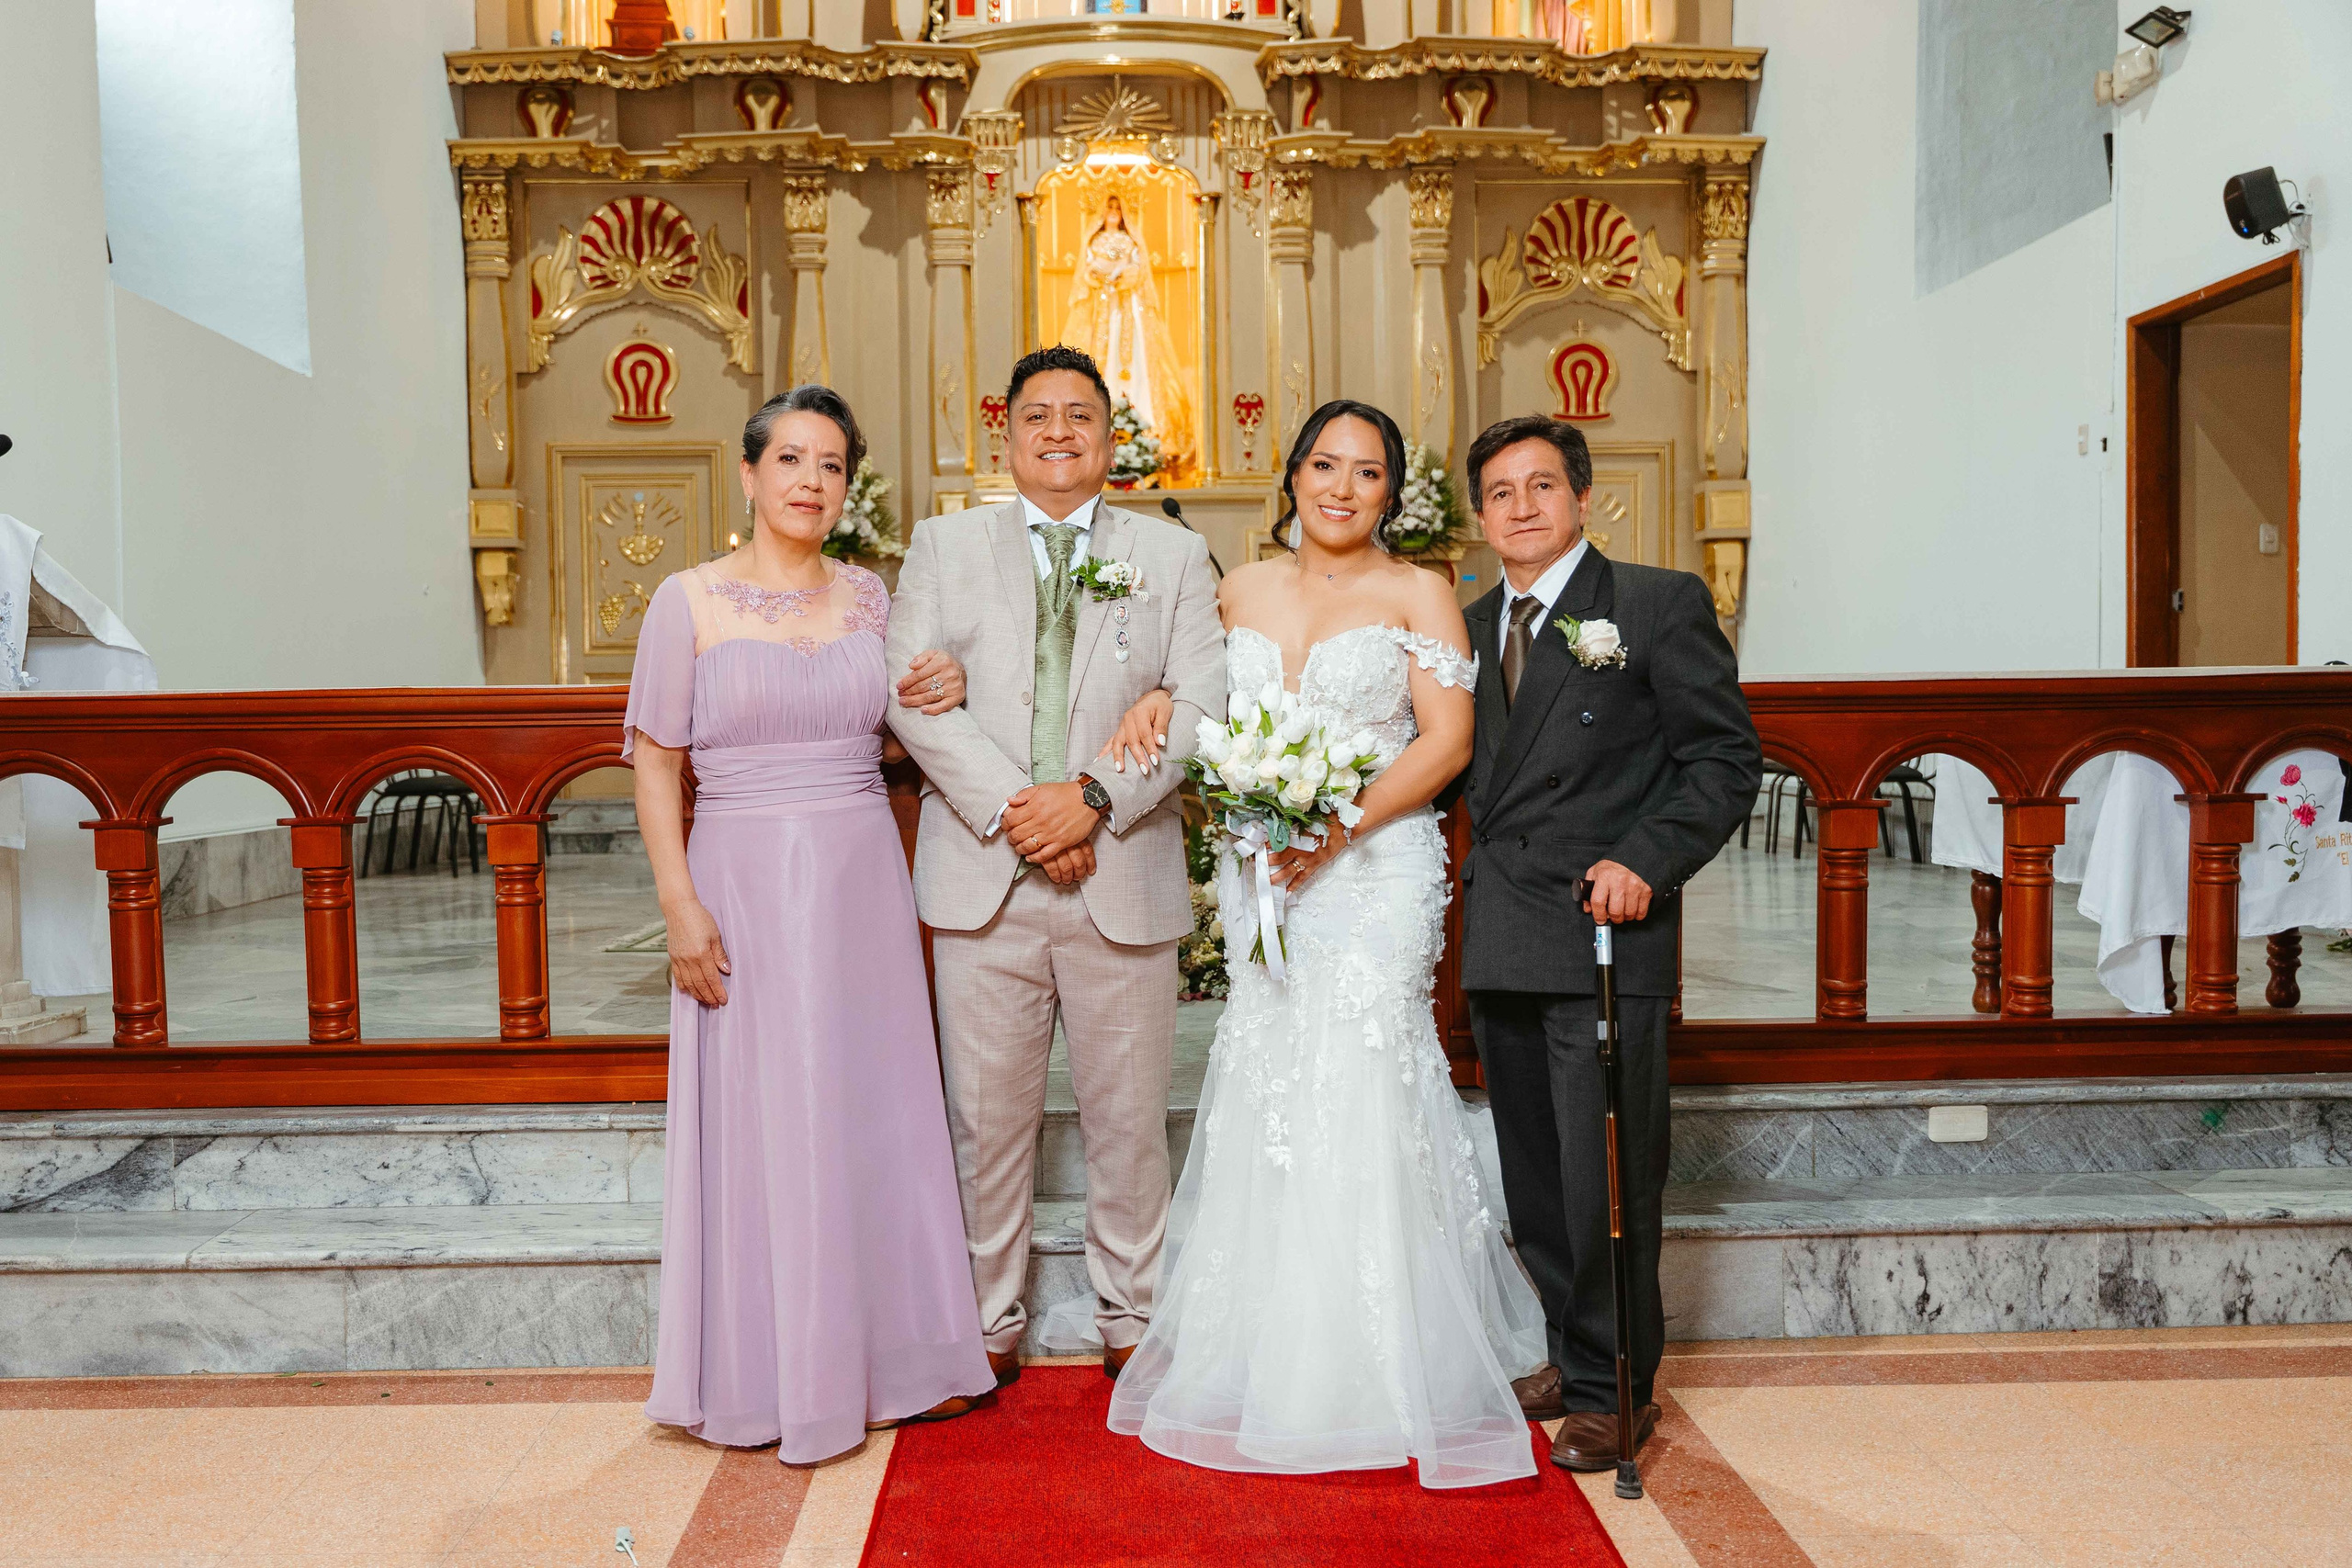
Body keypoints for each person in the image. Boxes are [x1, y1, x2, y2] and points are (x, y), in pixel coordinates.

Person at [1099, 400, 1548, 1490]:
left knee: (1363, 1069)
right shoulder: (1237, 587)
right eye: (1324, 465)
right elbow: (1204, 694)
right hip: (1269, 876)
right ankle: (1270, 1340)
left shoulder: (1419, 591)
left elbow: (1447, 742)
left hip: (1376, 868)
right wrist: (1161, 697)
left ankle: (1393, 1351)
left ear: (1393, 492)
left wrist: (1338, 823)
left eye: (1368, 472)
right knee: (1271, 1081)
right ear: (1292, 474)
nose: (1342, 487)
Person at [629, 386, 996, 1464]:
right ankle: (766, 1371)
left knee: (870, 1106)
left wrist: (943, 680)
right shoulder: (684, 601)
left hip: (857, 882)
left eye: (830, 465)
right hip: (736, 876)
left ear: (847, 487)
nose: (808, 481)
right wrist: (677, 903)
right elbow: (655, 759)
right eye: (789, 459)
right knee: (765, 1111)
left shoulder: (873, 601)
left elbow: (901, 733)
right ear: (748, 475)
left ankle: (896, 1357)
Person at [884, 344, 1227, 1385]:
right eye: (1039, 416)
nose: (1060, 433)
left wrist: (1087, 803)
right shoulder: (943, 547)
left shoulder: (1169, 557)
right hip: (984, 875)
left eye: (1081, 416)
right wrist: (1019, 813)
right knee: (985, 1121)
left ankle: (1134, 1315)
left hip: (1120, 870)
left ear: (1110, 439)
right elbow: (909, 696)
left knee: (1128, 1120)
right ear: (1008, 435)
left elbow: (1202, 702)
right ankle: (984, 1318)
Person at [1456, 414, 1759, 1472]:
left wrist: (1647, 858)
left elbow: (1722, 762)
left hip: (1601, 926)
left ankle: (1613, 1386)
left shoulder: (1652, 604)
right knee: (1535, 1179)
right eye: (1500, 491)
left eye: (1542, 485)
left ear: (1583, 499)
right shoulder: (1470, 621)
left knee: (1605, 1183)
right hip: (1501, 932)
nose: (1523, 506)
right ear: (1479, 513)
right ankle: (1568, 1353)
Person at [1057, 193, 1195, 472]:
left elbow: (1138, 267)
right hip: (1101, 309)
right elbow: (1086, 269)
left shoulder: (1130, 241)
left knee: (1137, 363)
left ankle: (1144, 429)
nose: (1112, 213)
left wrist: (1123, 275)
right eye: (1108, 208)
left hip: (1128, 308)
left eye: (1116, 209)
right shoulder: (1095, 241)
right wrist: (1098, 275)